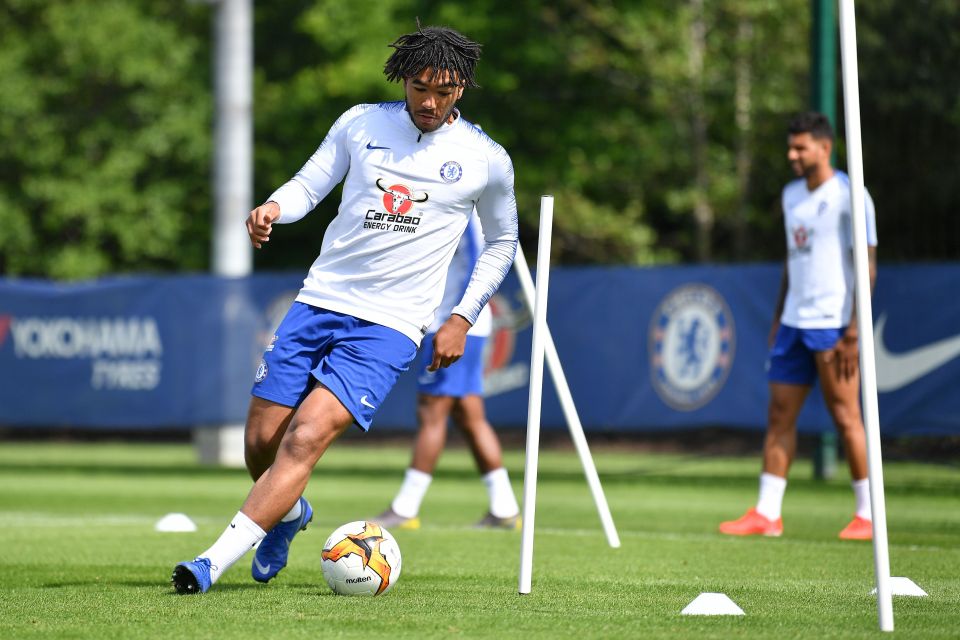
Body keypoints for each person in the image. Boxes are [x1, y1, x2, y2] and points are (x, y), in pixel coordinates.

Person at [171, 22, 519, 594]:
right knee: (261, 442)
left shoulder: (485, 159)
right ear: (402, 79)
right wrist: (272, 208)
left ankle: (211, 562)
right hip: (320, 300)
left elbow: (503, 242)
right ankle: (287, 515)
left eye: (444, 90)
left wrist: (462, 315)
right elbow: (310, 185)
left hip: (392, 324)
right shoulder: (361, 123)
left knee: (305, 437)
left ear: (462, 89)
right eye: (419, 87)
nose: (429, 102)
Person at [719, 111, 877, 541]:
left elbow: (867, 265)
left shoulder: (852, 195)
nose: (792, 154)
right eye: (790, 147)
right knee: (779, 415)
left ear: (824, 148)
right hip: (793, 322)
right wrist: (777, 318)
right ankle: (767, 513)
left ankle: (868, 515)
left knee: (847, 417)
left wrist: (854, 329)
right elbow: (793, 261)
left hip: (833, 324)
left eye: (800, 147)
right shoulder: (791, 196)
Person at [372, 213, 521, 531]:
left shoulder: (469, 209)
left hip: (452, 325)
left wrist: (458, 320)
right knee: (470, 417)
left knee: (432, 413)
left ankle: (405, 507)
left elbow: (476, 265)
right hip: (465, 324)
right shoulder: (479, 208)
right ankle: (504, 507)